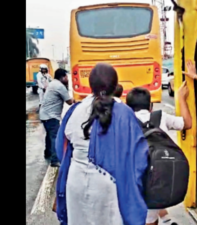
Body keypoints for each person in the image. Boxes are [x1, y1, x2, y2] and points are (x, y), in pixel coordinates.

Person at [55, 63, 149, 225]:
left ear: (90, 85)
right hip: (109, 185)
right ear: (115, 85)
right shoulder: (125, 113)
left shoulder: (74, 110)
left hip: (76, 181)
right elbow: (139, 157)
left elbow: (60, 149)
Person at [126, 82, 192, 225]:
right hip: (159, 179)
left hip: (134, 182)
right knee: (151, 218)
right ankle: (166, 219)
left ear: (128, 108)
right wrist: (181, 98)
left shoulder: (125, 121)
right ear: (151, 107)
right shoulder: (161, 117)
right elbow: (187, 123)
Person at [39, 68, 74, 167]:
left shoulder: (53, 83)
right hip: (51, 116)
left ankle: (48, 153)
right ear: (62, 77)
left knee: (49, 135)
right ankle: (54, 160)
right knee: (55, 136)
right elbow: (69, 101)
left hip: (44, 114)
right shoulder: (59, 86)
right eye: (66, 77)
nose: (67, 78)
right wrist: (77, 101)